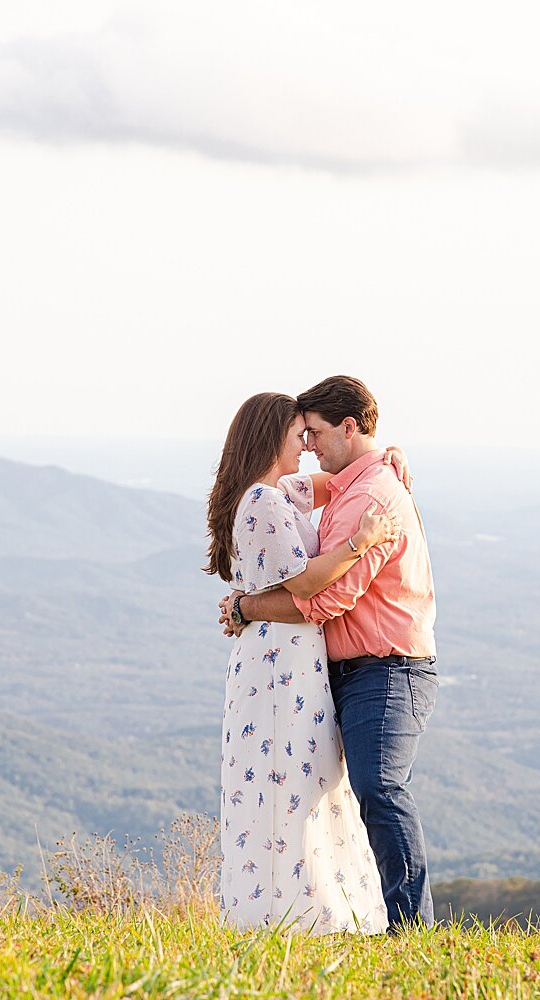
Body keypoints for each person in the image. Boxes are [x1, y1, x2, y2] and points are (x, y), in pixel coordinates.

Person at [219, 376, 438, 931]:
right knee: (299, 788)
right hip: (307, 668)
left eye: (313, 432)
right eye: (300, 434)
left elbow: (325, 595)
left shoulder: (362, 492)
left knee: (371, 789)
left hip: (380, 668)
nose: (309, 445)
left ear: (347, 427)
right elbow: (310, 581)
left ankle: (407, 928)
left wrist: (249, 607)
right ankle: (296, 912)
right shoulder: (288, 494)